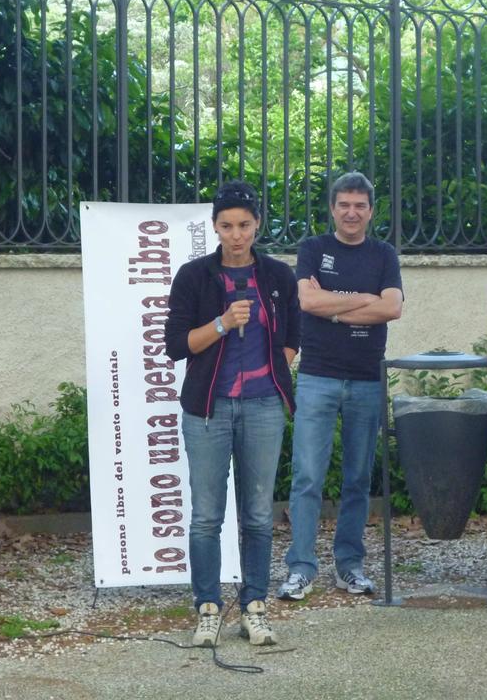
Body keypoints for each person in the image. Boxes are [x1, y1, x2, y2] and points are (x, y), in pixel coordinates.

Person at [163, 181, 300, 648]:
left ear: (257, 225)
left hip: (263, 407)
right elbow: (177, 345)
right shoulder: (193, 276)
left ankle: (254, 606)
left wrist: (268, 376)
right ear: (215, 227)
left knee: (259, 514)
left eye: (244, 225)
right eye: (226, 226)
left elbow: (291, 340)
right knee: (206, 516)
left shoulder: (280, 276)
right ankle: (207, 607)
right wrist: (223, 323)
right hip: (208, 409)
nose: (236, 234)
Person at [277, 172, 403, 601]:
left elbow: (394, 308)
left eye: (360, 205)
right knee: (307, 476)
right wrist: (365, 301)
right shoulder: (313, 249)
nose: (352, 213)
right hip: (317, 376)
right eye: (344, 204)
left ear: (370, 210)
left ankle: (349, 566)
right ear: (332, 208)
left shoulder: (384, 254)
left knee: (357, 478)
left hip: (367, 378)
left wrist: (333, 306)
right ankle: (301, 567)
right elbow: (307, 302)